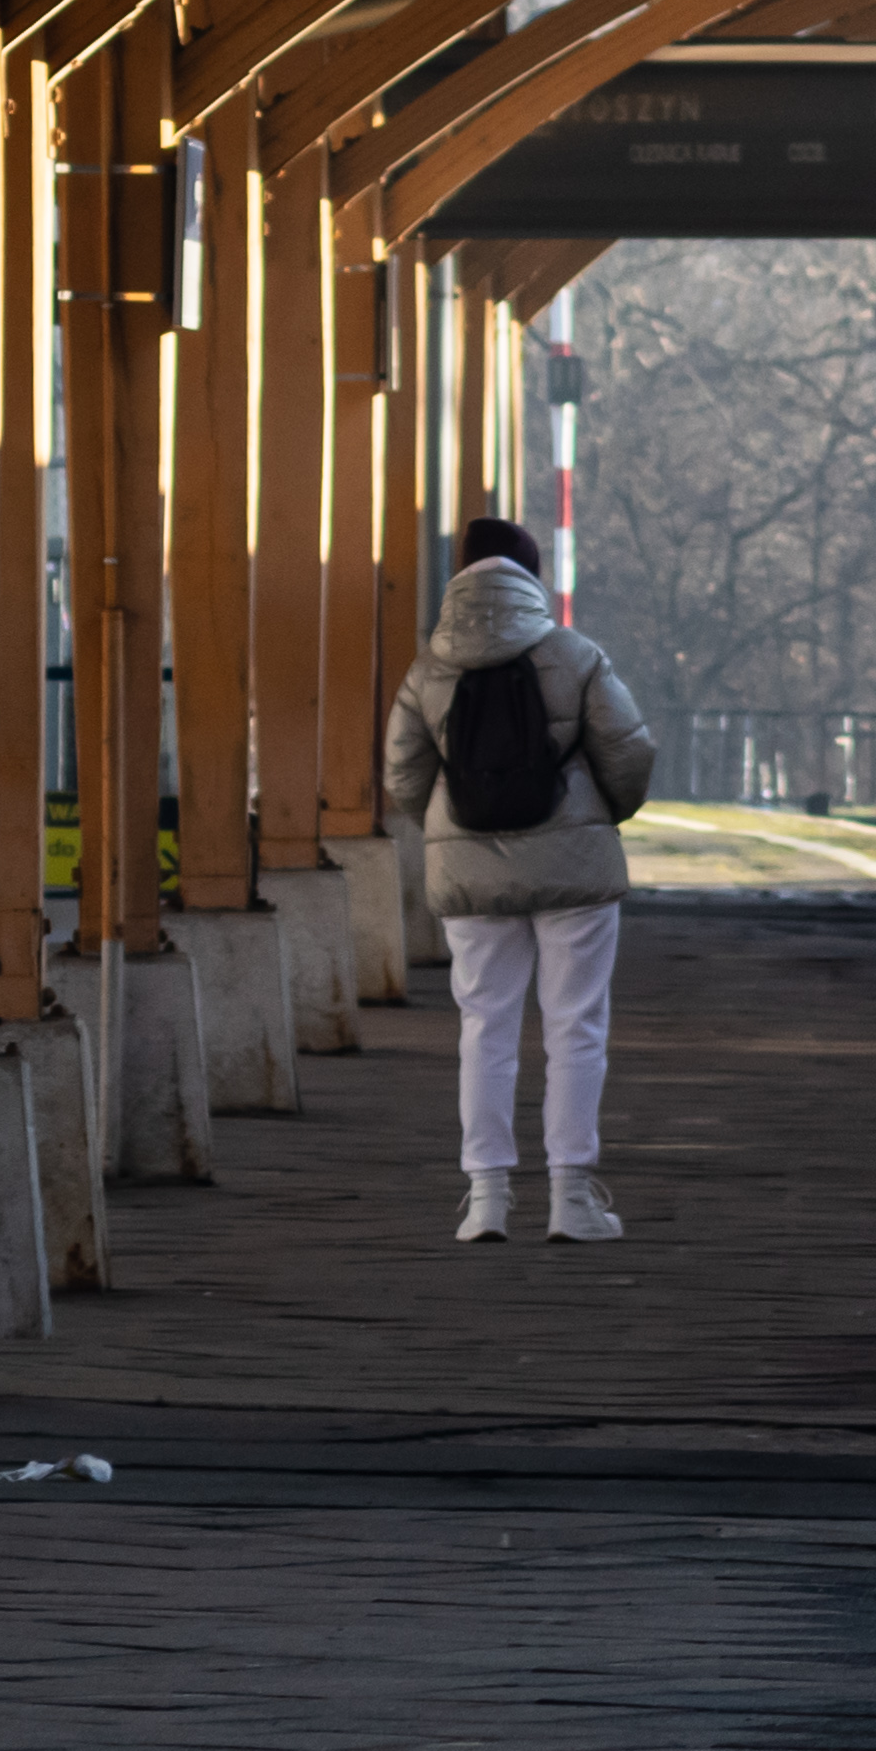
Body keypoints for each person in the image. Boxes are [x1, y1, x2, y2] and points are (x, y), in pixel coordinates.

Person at [385, 516, 657, 1245]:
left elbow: (402, 776)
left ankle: (486, 1201)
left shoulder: (427, 669)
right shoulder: (575, 653)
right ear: (531, 577)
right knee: (575, 1025)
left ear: (461, 577)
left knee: (486, 1027)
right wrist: (599, 814)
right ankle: (571, 1198)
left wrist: (452, 827)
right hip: (575, 867)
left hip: (469, 872)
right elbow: (628, 754)